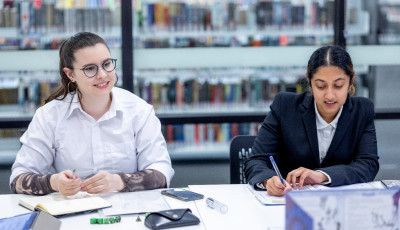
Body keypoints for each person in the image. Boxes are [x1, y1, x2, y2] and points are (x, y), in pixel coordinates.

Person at [10, 32, 174, 196]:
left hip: (129, 212)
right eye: (90, 68)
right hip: (73, 212)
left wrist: (119, 181)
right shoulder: (49, 116)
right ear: (71, 74)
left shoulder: (139, 110)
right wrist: (53, 182)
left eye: (107, 64)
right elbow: (18, 180)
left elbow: (162, 173)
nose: (102, 75)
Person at [245, 45, 379, 197]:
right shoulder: (285, 106)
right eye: (321, 86)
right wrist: (268, 180)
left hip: (339, 205)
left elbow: (368, 164)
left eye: (338, 86)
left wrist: (322, 175)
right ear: (310, 82)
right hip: (286, 203)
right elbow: (255, 160)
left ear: (350, 83)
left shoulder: (362, 110)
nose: (330, 95)